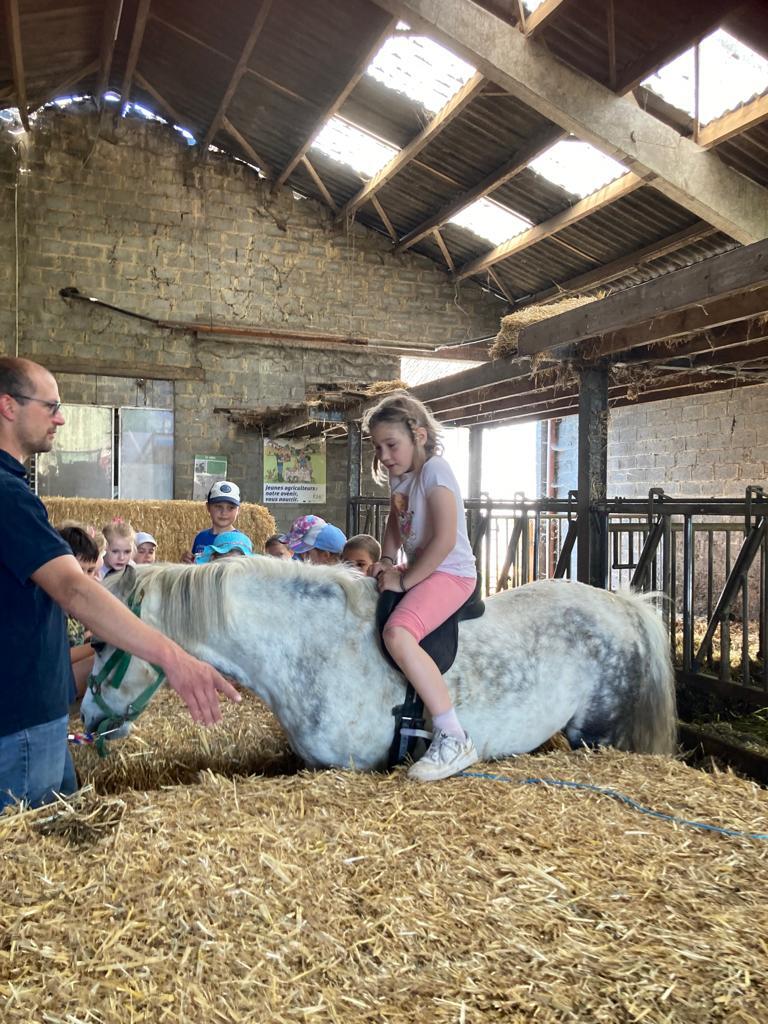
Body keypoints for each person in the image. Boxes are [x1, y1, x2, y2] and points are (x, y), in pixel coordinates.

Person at [0, 356, 240, 812]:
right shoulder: (7, 495)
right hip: (20, 726)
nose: (60, 418)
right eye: (51, 406)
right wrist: (172, 656)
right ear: (8, 406)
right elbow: (73, 589)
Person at [363, 391, 478, 782]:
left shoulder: (435, 471)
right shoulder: (401, 475)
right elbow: (396, 520)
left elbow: (444, 540)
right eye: (378, 447)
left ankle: (454, 735)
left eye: (391, 445)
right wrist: (385, 558)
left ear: (420, 436)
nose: (384, 455)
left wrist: (404, 579)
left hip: (451, 572)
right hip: (421, 566)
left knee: (398, 633)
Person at [182, 481, 241, 563]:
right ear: (208, 507)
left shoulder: (240, 542)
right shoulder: (201, 537)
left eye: (231, 508)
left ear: (238, 510)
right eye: (218, 506)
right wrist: (189, 561)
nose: (224, 513)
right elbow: (196, 565)